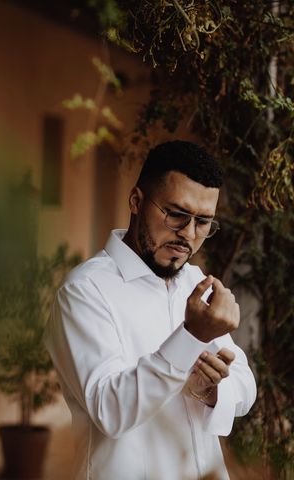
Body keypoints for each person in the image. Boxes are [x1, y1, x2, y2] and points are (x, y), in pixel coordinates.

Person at [44, 141, 257, 480]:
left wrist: (212, 389)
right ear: (136, 201)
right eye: (176, 214)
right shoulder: (84, 291)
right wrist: (191, 337)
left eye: (203, 222)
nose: (188, 234)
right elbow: (110, 411)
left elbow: (246, 386)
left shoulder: (196, 283)